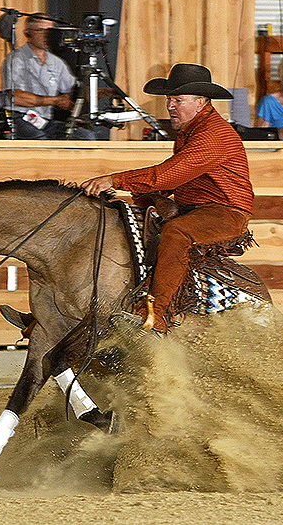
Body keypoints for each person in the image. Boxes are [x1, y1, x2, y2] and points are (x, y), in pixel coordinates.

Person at [81, 64, 253, 334]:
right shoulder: (191, 130)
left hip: (226, 212)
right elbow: (174, 177)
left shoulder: (212, 134)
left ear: (201, 102)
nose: (171, 106)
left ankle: (156, 313)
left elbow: (170, 175)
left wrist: (115, 180)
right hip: (193, 207)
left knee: (176, 232)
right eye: (169, 100)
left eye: (178, 100)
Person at [0, 13, 95, 140]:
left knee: (85, 136)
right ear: (27, 33)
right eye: (40, 30)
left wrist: (107, 92)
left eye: (50, 31)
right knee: (41, 141)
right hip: (18, 117)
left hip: (44, 122)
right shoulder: (16, 59)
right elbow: (16, 97)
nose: (46, 35)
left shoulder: (56, 62)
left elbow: (75, 90)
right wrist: (56, 101)